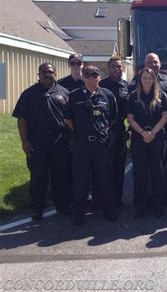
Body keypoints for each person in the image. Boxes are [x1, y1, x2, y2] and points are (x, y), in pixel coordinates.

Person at [12, 63, 72, 221]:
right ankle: (37, 208)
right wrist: (24, 141)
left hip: (60, 141)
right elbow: (22, 119)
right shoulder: (29, 94)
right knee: (39, 177)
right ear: (38, 75)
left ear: (55, 74)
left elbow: (70, 119)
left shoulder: (65, 93)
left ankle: (62, 204)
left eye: (50, 72)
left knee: (61, 176)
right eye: (44, 72)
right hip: (37, 142)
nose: (47, 75)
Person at [65, 65, 118, 225]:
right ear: (83, 77)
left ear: (99, 77)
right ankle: (79, 213)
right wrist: (80, 133)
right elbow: (68, 119)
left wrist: (102, 130)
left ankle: (108, 210)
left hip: (101, 143)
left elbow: (114, 117)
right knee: (81, 180)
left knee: (104, 178)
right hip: (82, 144)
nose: (91, 77)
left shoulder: (107, 95)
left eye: (94, 74)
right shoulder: (74, 96)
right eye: (87, 74)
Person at [126, 67, 167, 218]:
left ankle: (157, 205)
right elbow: (130, 118)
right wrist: (143, 132)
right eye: (144, 78)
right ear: (140, 79)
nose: (147, 81)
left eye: (150, 78)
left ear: (154, 80)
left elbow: (165, 117)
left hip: (156, 137)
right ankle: (139, 207)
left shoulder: (161, 96)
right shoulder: (133, 96)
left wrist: (152, 133)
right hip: (139, 137)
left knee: (157, 172)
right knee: (139, 173)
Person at [99, 55, 129, 208]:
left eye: (119, 66)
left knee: (119, 166)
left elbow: (132, 111)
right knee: (104, 167)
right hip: (103, 130)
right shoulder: (102, 85)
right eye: (113, 66)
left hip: (120, 130)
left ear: (123, 68)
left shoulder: (127, 86)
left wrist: (128, 130)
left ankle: (117, 197)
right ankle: (104, 198)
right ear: (108, 68)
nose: (117, 69)